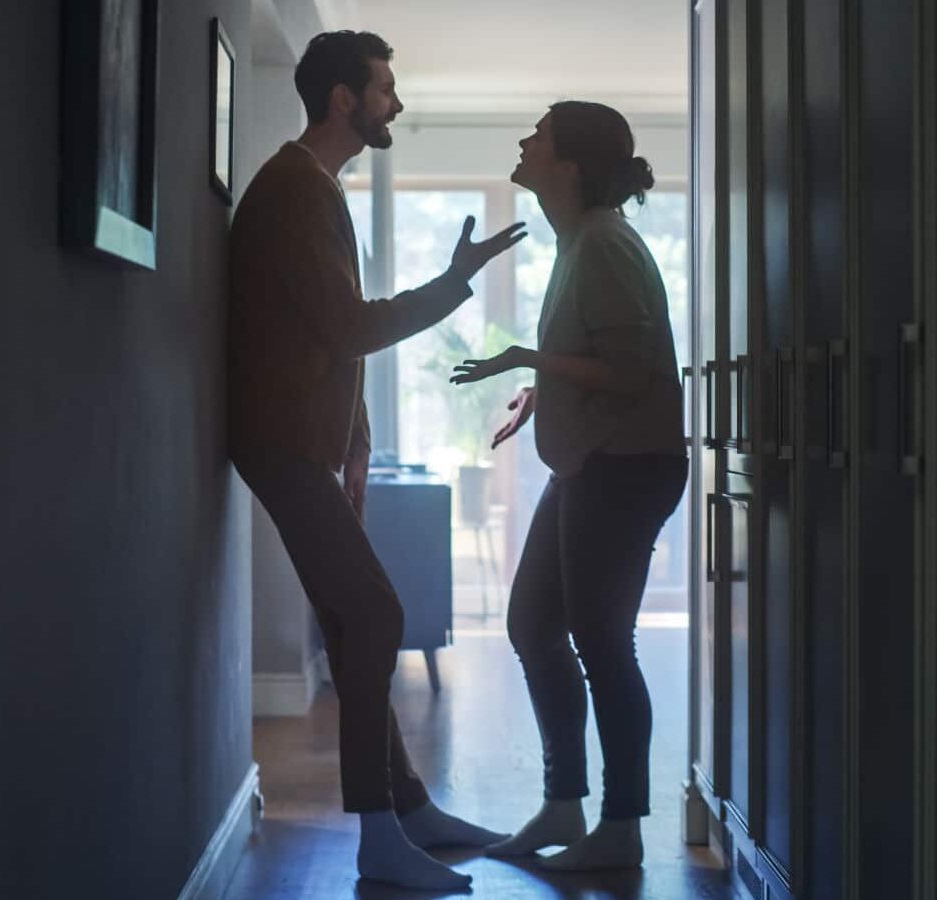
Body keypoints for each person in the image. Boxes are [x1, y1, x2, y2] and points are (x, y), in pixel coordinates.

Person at [228, 31, 526, 891]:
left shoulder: (315, 186)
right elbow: (350, 327)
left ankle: (410, 812)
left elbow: (325, 335)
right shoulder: (295, 189)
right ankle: (380, 838)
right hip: (280, 444)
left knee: (355, 620)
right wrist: (454, 282)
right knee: (377, 615)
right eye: (385, 88)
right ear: (344, 100)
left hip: (299, 445)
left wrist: (355, 444)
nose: (396, 102)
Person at [449, 101, 687, 871]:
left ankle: (620, 828)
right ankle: (564, 805)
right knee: (533, 623)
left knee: (602, 642)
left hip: (626, 467)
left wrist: (528, 360)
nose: (525, 141)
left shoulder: (604, 243)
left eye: (541, 135)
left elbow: (633, 373)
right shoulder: (580, 239)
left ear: (571, 164)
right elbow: (603, 360)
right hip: (595, 462)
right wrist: (544, 390)